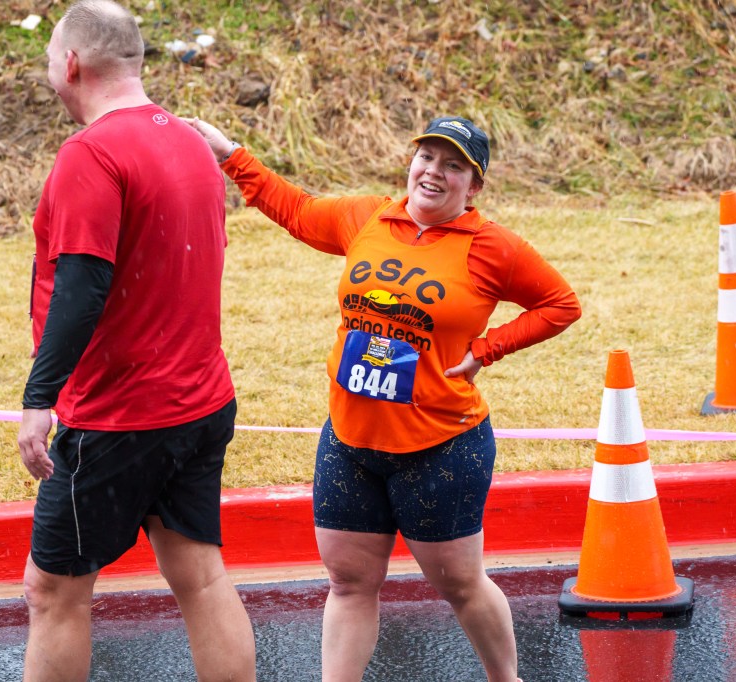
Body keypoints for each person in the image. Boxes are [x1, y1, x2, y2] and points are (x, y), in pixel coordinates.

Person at [189, 115, 581, 681]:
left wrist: (487, 349)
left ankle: (506, 678)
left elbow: (560, 305)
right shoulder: (367, 216)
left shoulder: (492, 247)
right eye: (427, 157)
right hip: (350, 442)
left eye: (454, 167)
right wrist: (230, 154)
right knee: (349, 585)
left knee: (461, 586)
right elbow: (296, 210)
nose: (434, 173)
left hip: (440, 446)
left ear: (474, 187)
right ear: (411, 162)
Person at [16, 3, 256, 681]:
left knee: (55, 592)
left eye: (48, 61)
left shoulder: (91, 153)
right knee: (201, 578)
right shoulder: (188, 141)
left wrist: (40, 399)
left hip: (121, 417)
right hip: (201, 403)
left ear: (70, 63)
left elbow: (82, 286)